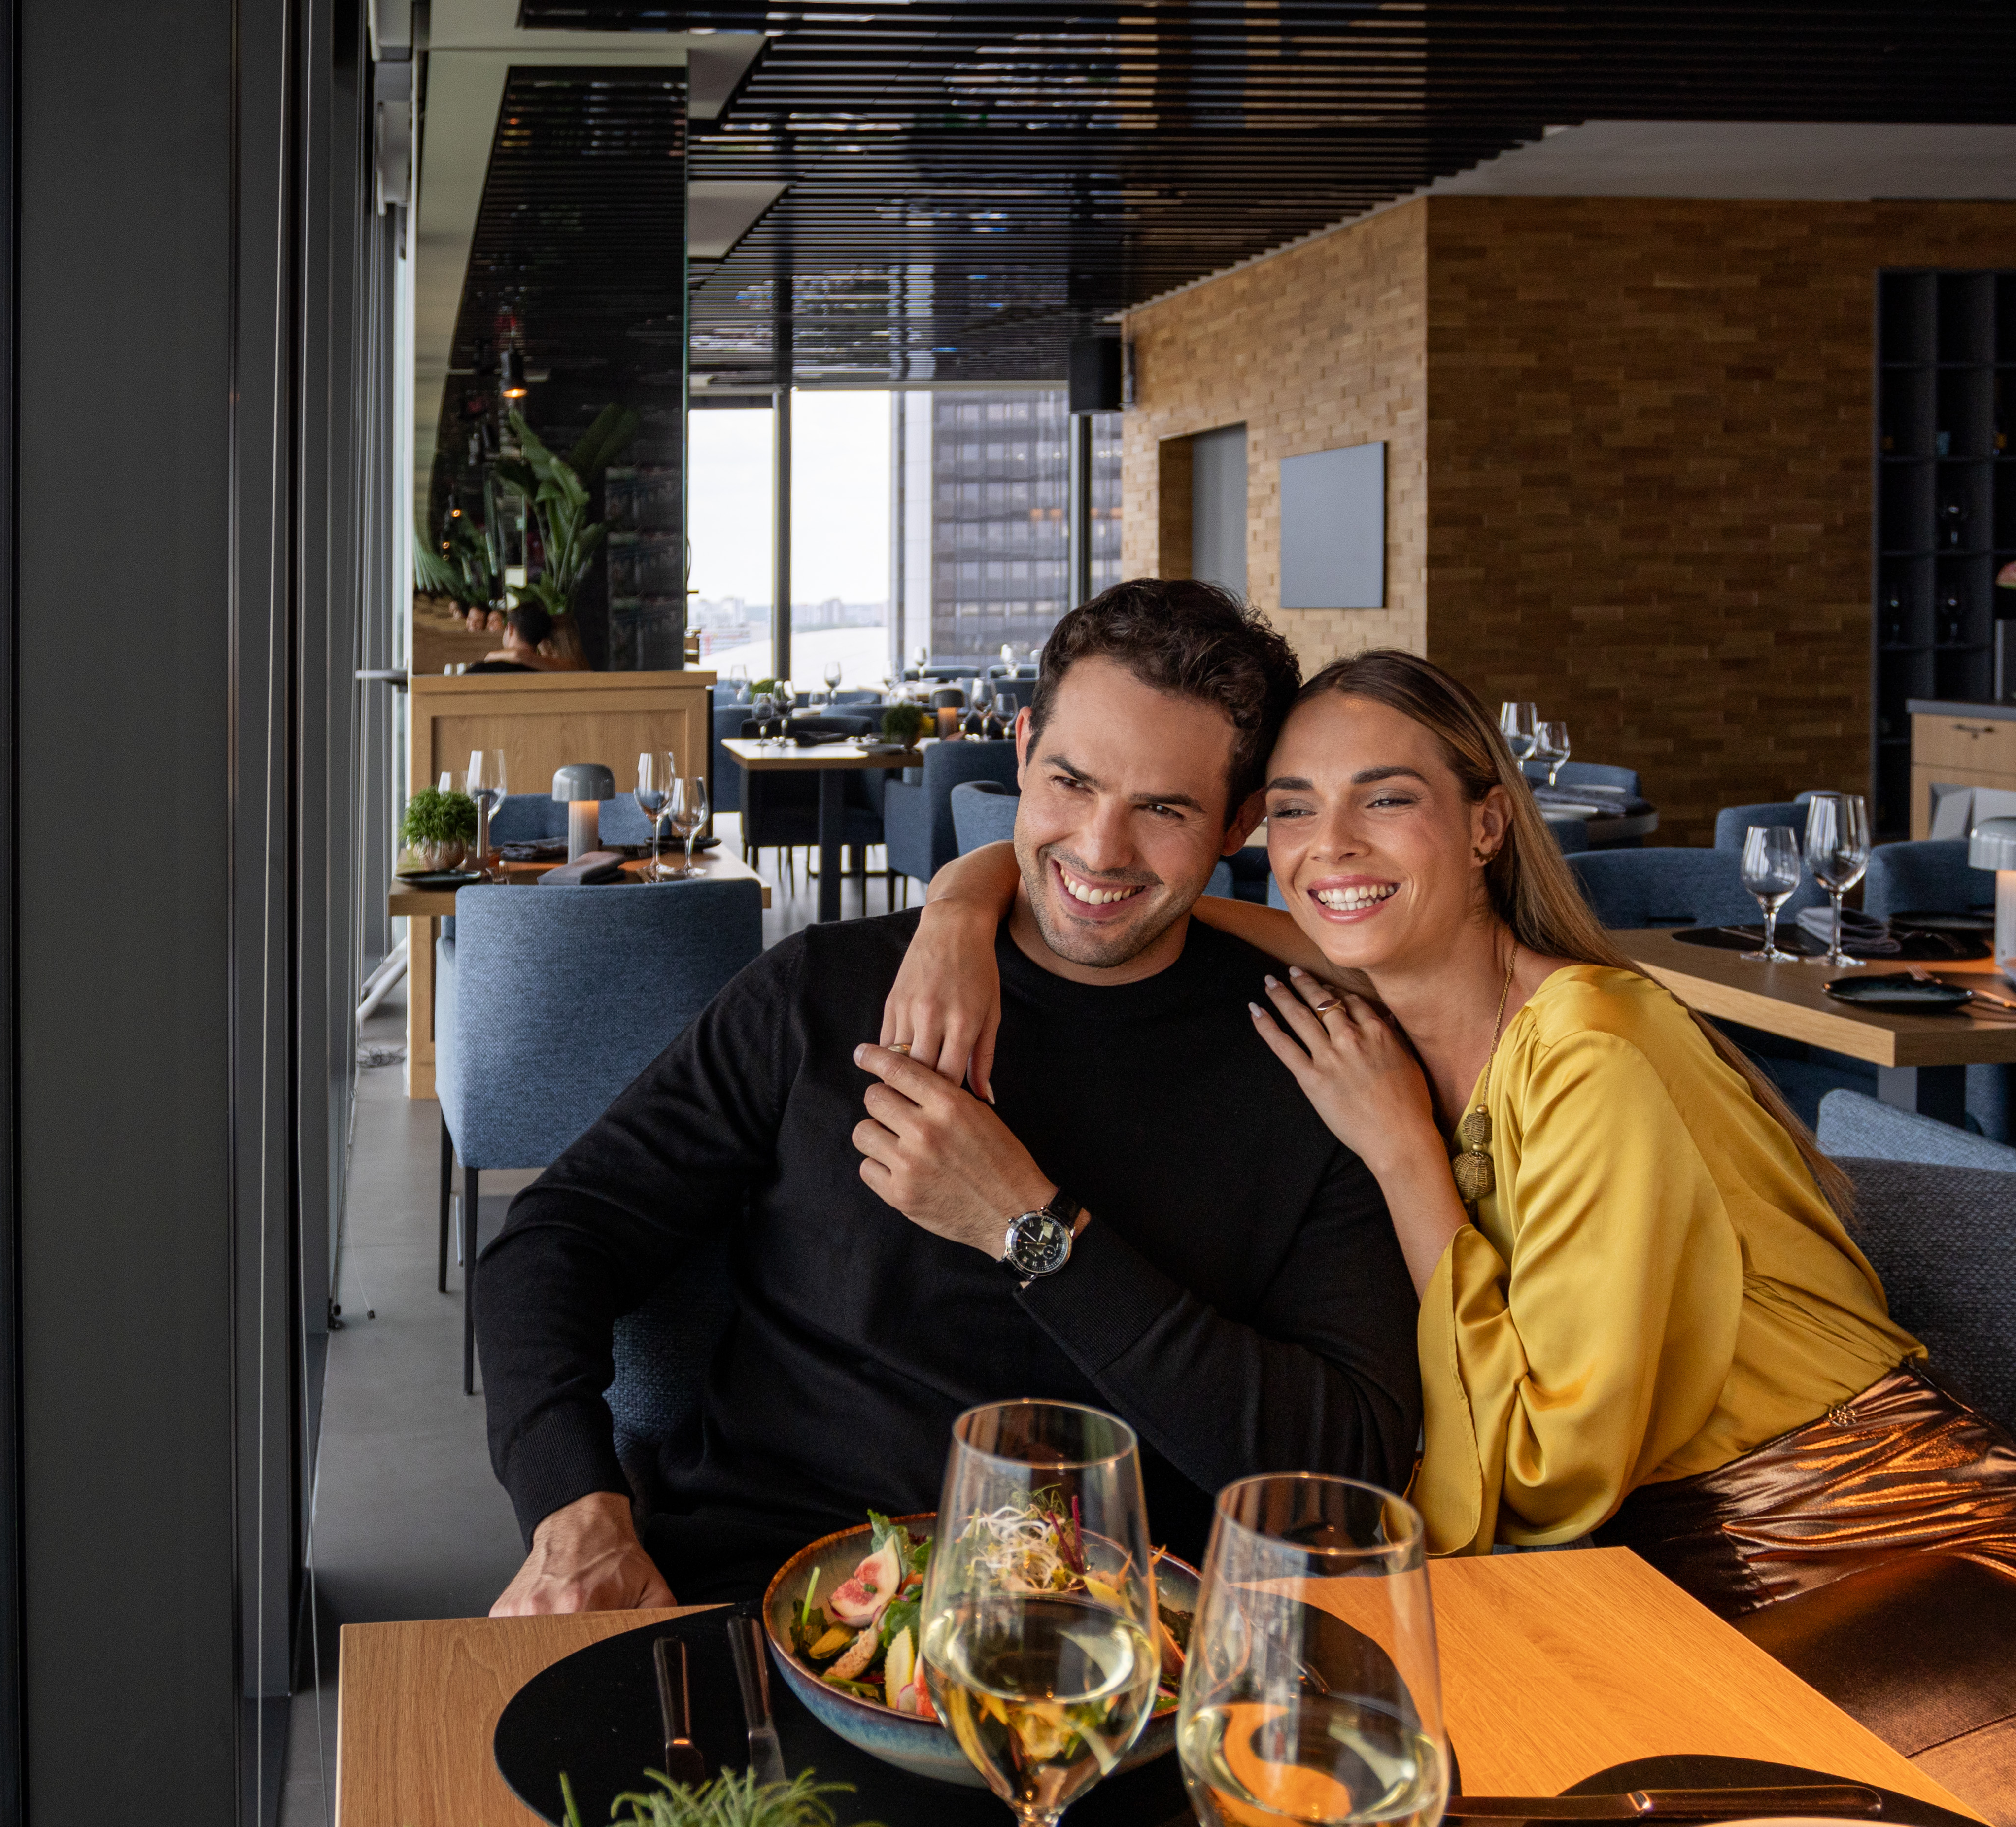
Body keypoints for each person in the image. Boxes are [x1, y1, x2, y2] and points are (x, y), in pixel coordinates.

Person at [884, 650, 2016, 1827]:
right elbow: (1132, 907)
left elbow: (1541, 1479)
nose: (1327, 847)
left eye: (1381, 799)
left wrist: (1408, 1159)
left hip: (1949, 1584)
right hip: (1667, 1588)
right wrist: (959, 899)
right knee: (1318, 1782)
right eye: (1290, 810)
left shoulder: (1587, 1048)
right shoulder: (1373, 1001)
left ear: (1482, 822)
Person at [473, 580, 1421, 1618]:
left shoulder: (1315, 1056)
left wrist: (1035, 1232)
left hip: (1133, 1645)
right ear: (1020, 750)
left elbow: (1348, 1463)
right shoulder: (821, 994)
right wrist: (575, 1508)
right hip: (771, 1595)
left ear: (1240, 818)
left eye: (1164, 808)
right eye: (1071, 781)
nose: (1101, 850)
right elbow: (558, 1235)